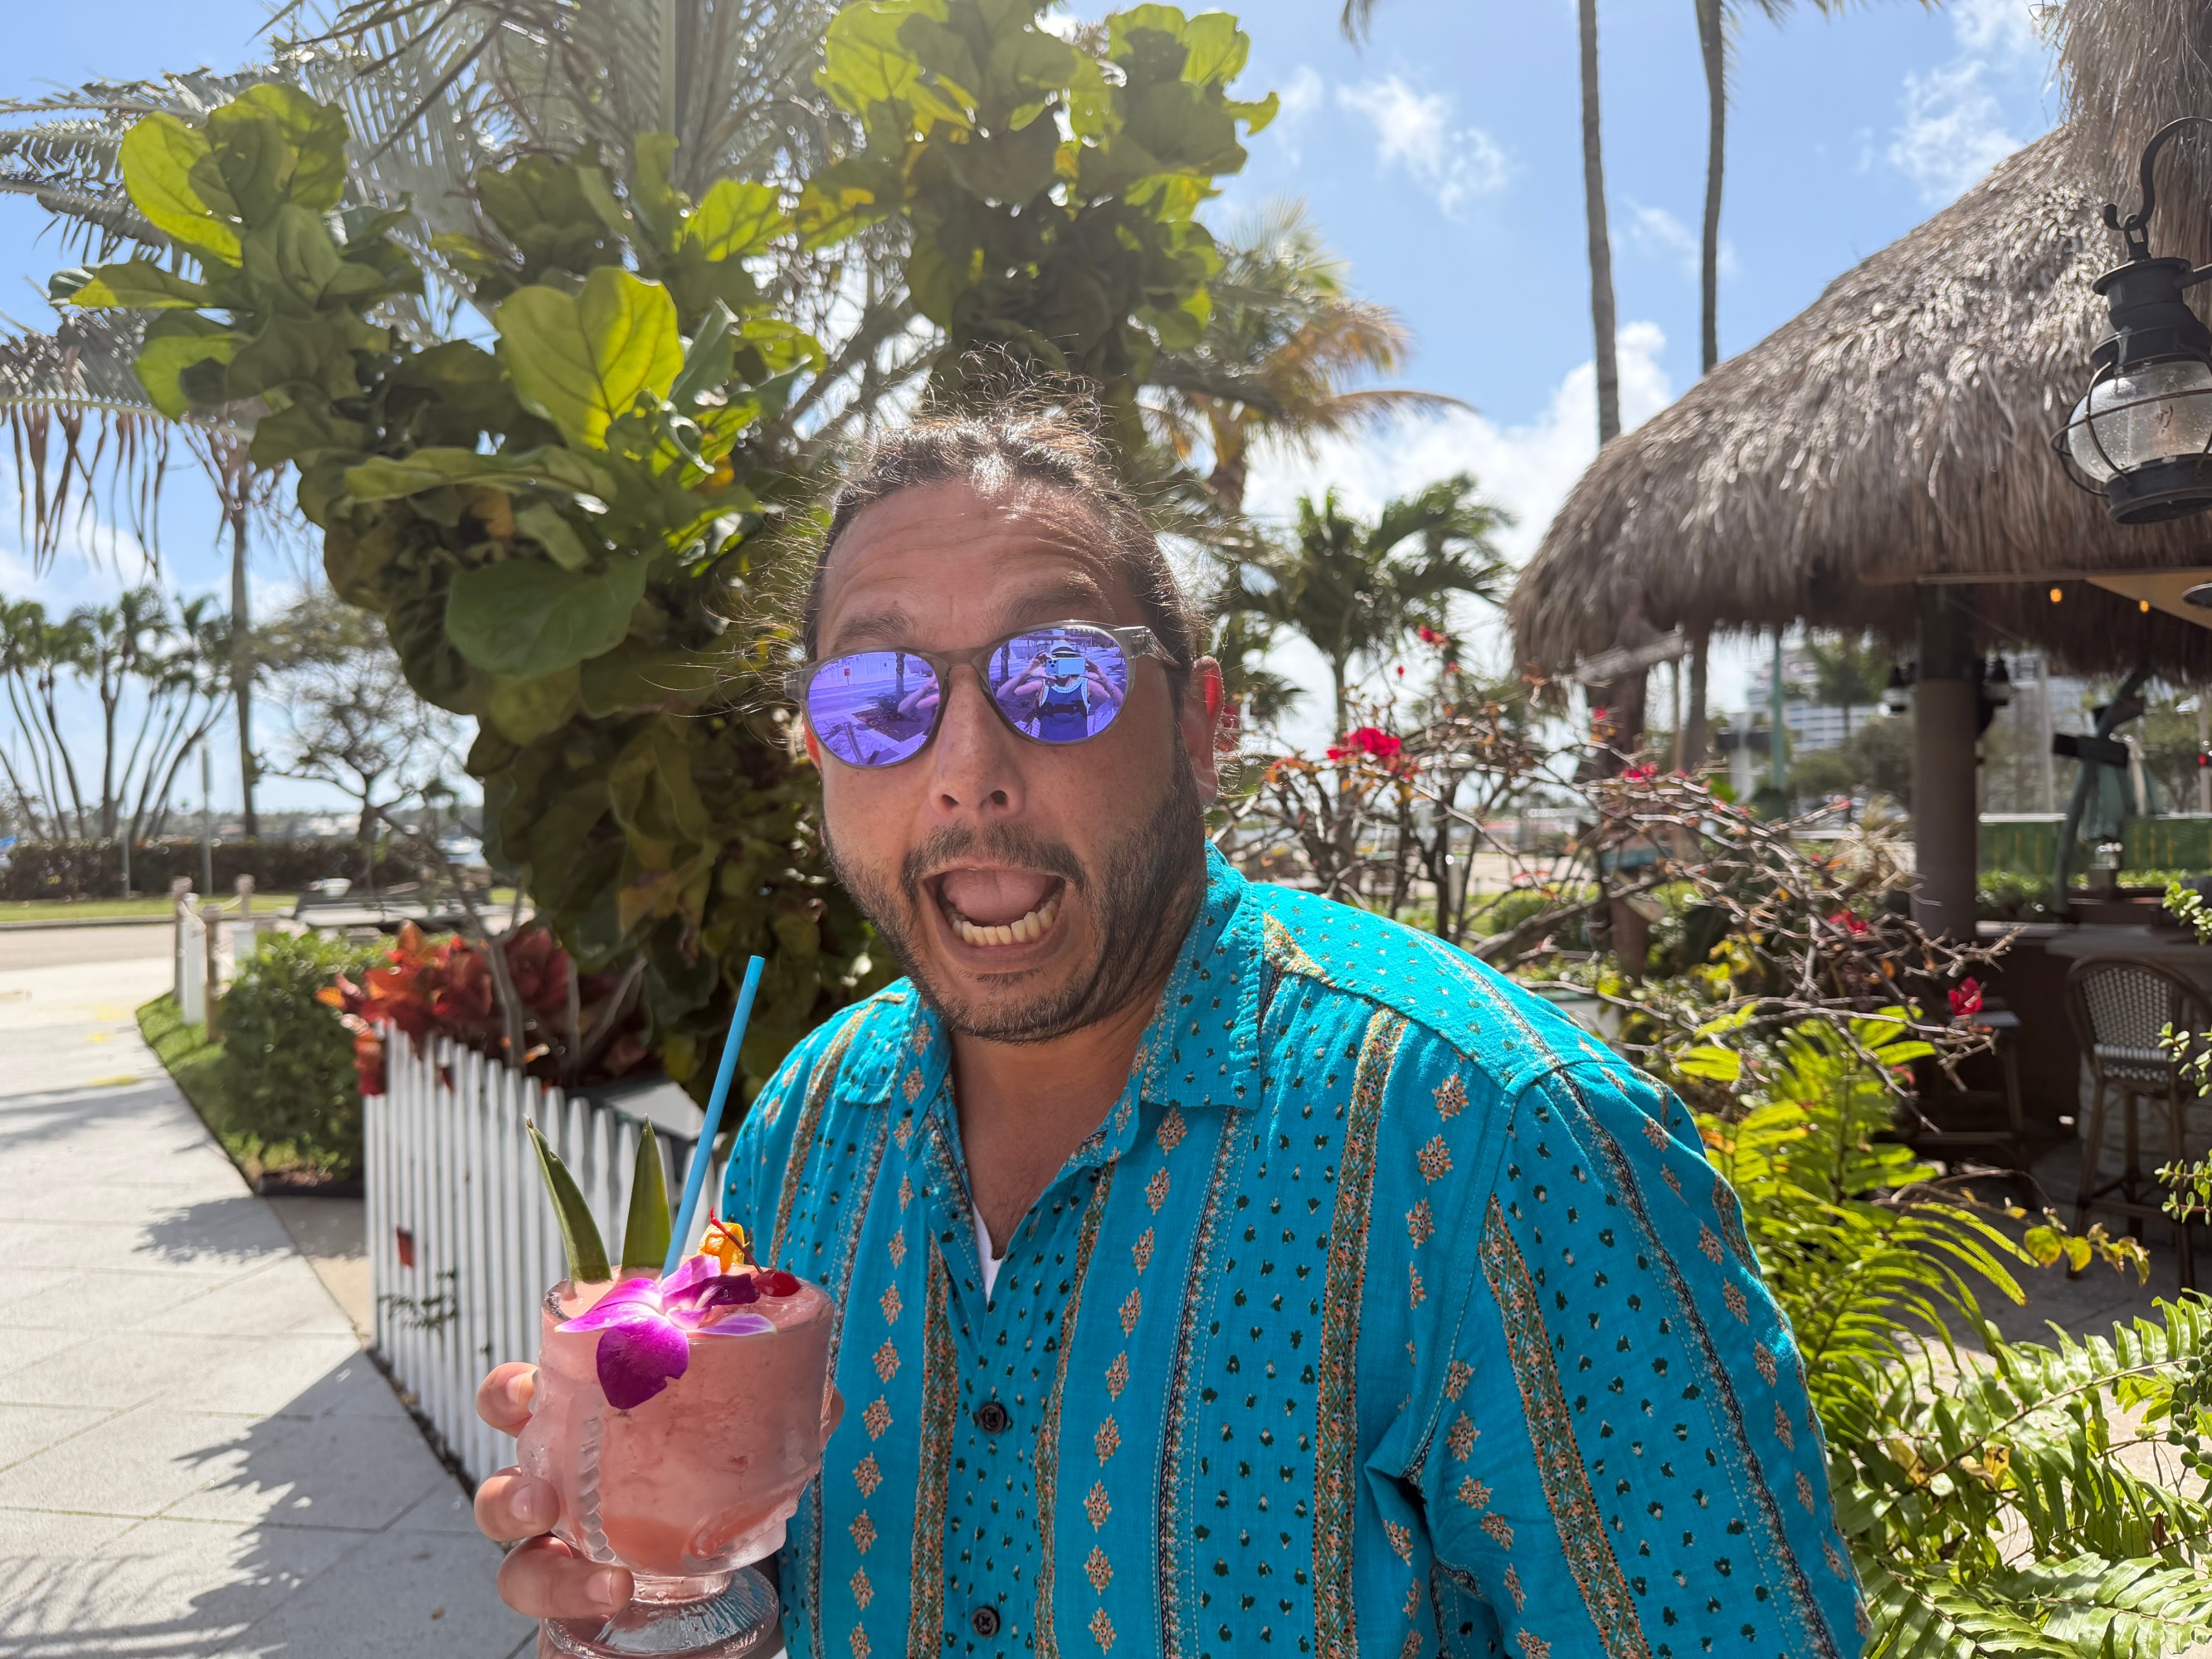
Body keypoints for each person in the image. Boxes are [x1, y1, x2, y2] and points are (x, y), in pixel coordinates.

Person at [472, 401, 1865, 1658]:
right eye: (879, 700)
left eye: (1056, 677)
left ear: (1199, 728)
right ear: (820, 753)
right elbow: (773, 1581)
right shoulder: (806, 1122)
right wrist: (653, 1609)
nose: (966, 772)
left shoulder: (1497, 1141)